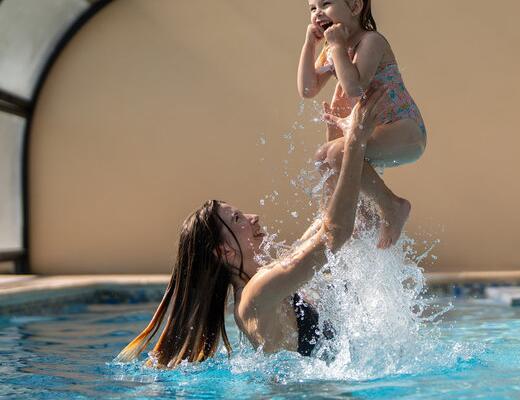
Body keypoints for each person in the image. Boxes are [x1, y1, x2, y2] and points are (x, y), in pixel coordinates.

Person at [116, 87, 387, 368]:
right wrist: (355, 140)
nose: (253, 217)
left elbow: (326, 222)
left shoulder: (264, 281)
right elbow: (335, 233)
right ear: (224, 251)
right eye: (237, 220)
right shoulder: (257, 293)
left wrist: (335, 142)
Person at [298, 0, 426, 249]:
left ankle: (393, 206)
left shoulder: (372, 42)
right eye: (312, 8)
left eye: (326, 3)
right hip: (376, 132)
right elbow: (307, 88)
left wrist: (335, 46)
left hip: (406, 130)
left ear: (355, 6)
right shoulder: (332, 48)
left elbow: (354, 85)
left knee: (338, 153)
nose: (317, 13)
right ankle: (364, 219)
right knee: (323, 159)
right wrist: (310, 44)